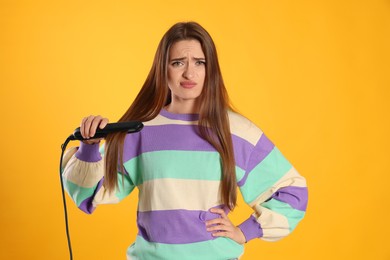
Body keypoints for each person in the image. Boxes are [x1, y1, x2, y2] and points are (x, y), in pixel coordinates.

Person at [62, 21, 308, 260]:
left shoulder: (234, 130)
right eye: (178, 62)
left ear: (210, 69)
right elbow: (88, 195)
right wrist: (89, 148)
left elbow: (292, 191)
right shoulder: (140, 130)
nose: (189, 73)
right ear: (163, 68)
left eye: (199, 62)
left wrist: (245, 231)